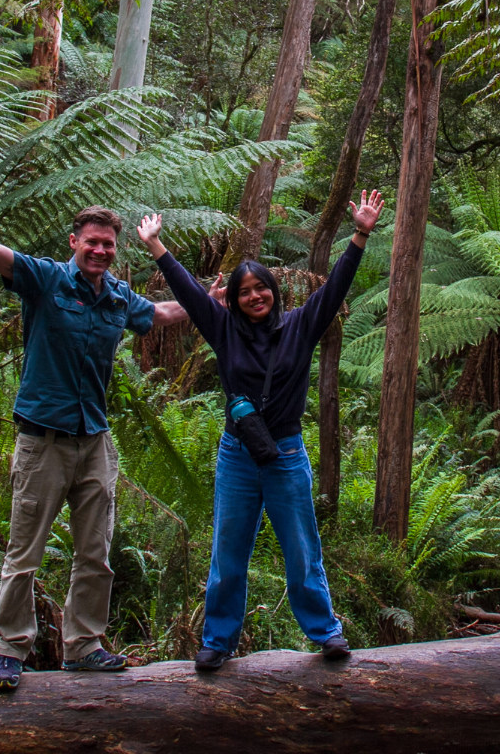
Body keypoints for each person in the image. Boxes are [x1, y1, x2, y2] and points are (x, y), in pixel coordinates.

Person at [0, 144, 188, 691]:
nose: (100, 251)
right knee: (24, 552)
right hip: (43, 441)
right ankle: (12, 650)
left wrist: (211, 301)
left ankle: (83, 646)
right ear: (74, 243)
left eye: (108, 245)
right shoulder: (44, 280)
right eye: (92, 242)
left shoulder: (118, 298)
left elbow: (162, 313)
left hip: (94, 440)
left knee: (95, 551)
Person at [135, 189, 384, 672]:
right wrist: (156, 246)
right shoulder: (222, 328)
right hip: (237, 455)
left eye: (261, 288)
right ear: (234, 298)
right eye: (245, 291)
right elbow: (188, 292)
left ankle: (326, 632)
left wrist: (359, 235)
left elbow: (334, 289)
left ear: (274, 291)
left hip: (286, 453)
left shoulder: (301, 327)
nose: (255, 296)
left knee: (301, 548)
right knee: (229, 552)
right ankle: (218, 640)